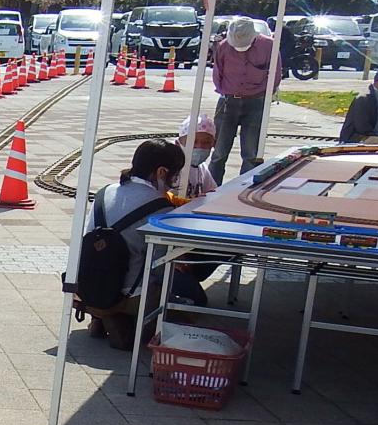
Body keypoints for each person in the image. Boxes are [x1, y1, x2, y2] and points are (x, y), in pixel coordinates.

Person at [82, 139, 209, 346]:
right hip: (131, 297)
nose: (173, 183)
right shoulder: (161, 209)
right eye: (174, 176)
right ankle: (128, 323)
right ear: (160, 172)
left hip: (87, 288)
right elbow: (160, 268)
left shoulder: (104, 193)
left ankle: (101, 316)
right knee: (194, 298)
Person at [209, 18, 276, 184]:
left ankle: (243, 188)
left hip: (256, 102)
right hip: (228, 101)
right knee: (219, 152)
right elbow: (218, 72)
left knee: (250, 153)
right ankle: (211, 187)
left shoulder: (268, 46)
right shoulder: (223, 46)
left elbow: (275, 75)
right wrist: (226, 92)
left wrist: (264, 93)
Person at [177, 114, 219, 198]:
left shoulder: (202, 169)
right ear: (179, 143)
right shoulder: (172, 167)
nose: (199, 146)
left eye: (206, 143)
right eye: (193, 141)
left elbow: (212, 190)